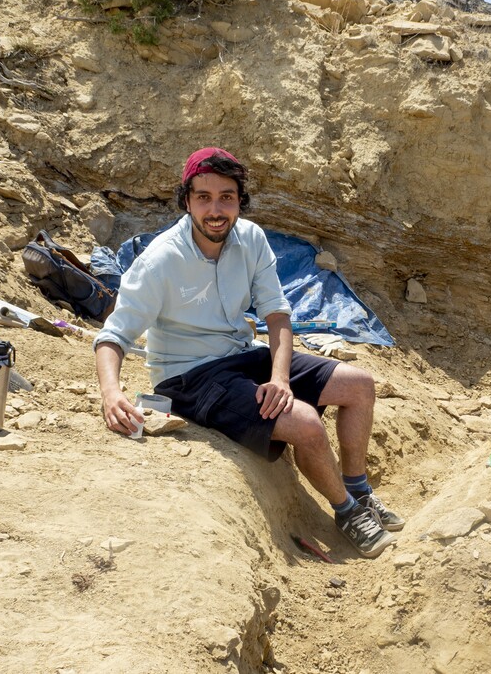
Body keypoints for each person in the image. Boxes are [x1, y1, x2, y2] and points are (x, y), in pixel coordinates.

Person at [94, 146, 404, 558]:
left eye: (226, 196)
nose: (215, 209)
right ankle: (346, 513)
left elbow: (277, 315)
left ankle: (359, 491)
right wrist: (111, 393)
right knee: (306, 423)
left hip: (244, 353)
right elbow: (114, 335)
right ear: (186, 201)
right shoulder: (161, 260)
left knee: (359, 385)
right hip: (191, 378)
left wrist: (278, 378)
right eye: (203, 197)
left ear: (240, 199)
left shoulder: (251, 239)